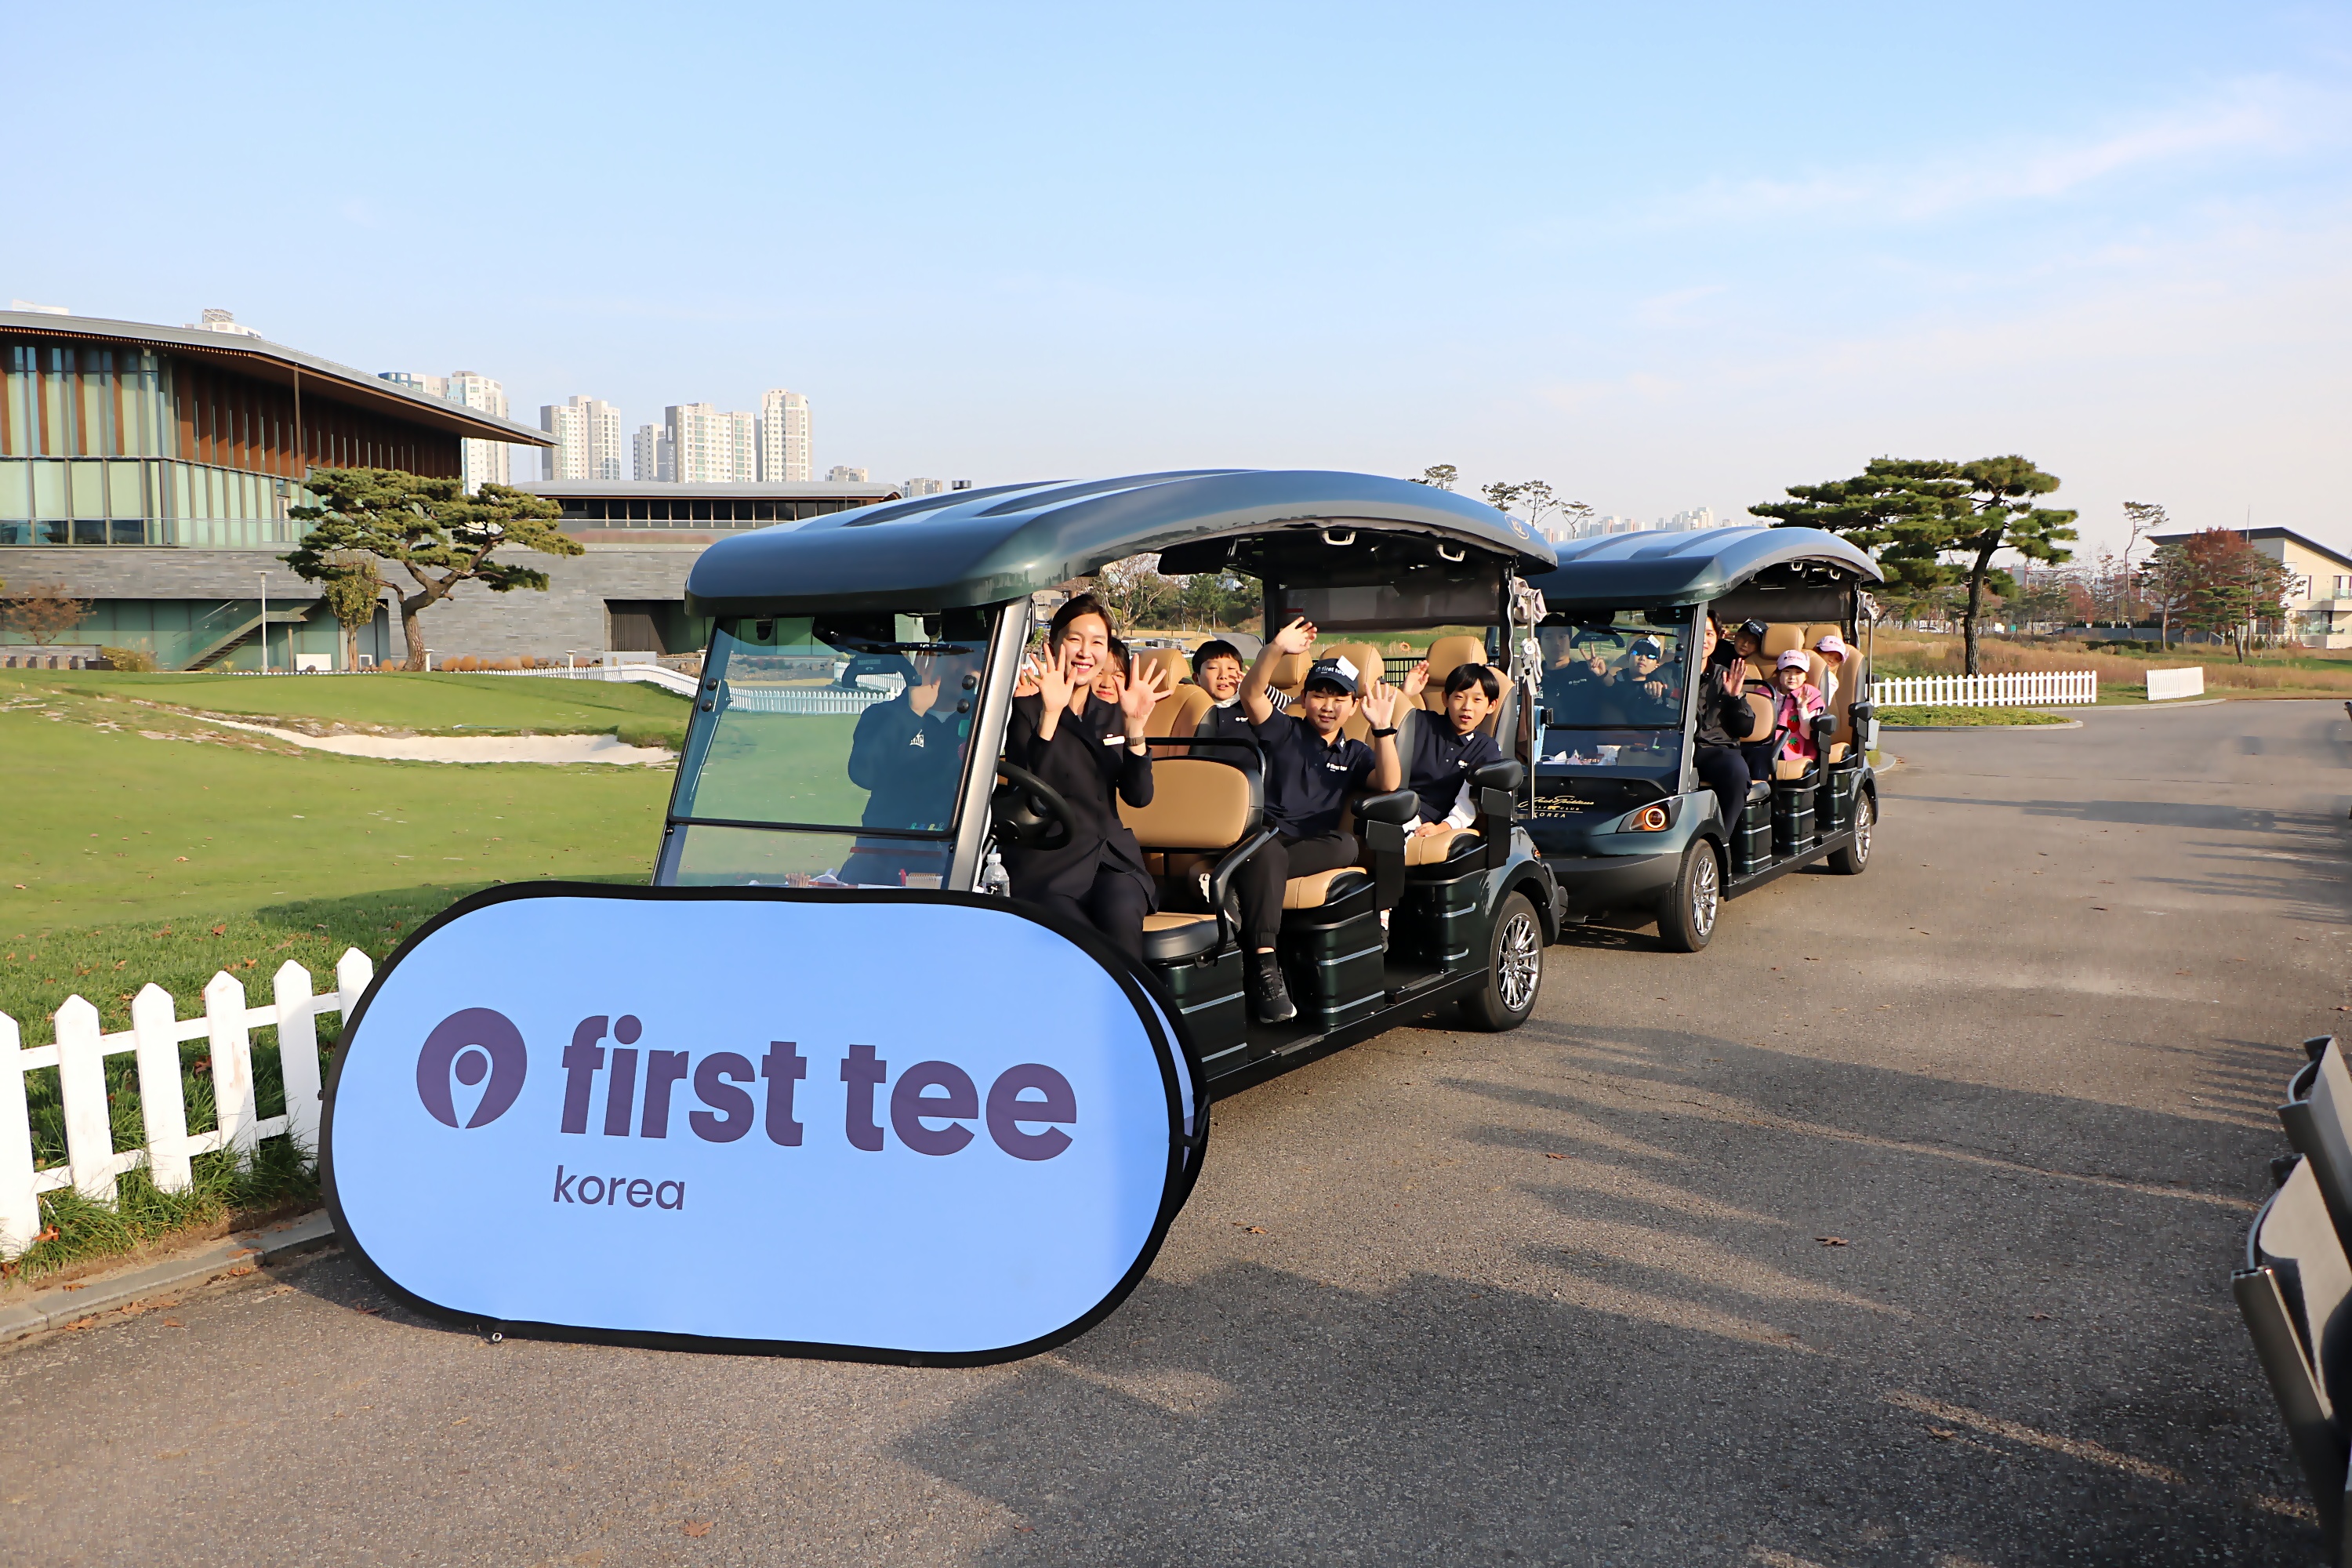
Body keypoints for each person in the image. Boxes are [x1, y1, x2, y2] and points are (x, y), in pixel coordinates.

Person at [1232, 617, 1404, 1023]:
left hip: (1313, 844)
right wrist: (1276, 648)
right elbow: (1251, 692)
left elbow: (1389, 783)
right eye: (1319, 695)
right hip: (1265, 836)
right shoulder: (1283, 730)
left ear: (1353, 705)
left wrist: (1383, 730)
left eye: (1339, 697)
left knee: (1345, 845)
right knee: (1268, 854)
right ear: (1304, 698)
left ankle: (1242, 886)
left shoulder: (1356, 751)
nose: (1328, 706)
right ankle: (1265, 967)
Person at [1001, 594, 1171, 961]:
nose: (1085, 652)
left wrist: (1135, 728)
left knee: (1122, 917)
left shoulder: (1112, 713)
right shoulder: (1026, 711)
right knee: (1082, 945)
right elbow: (1033, 794)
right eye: (1075, 639)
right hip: (1049, 864)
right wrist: (1050, 715)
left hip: (1111, 858)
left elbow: (1139, 796)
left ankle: (1132, 1000)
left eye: (1097, 643)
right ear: (1053, 645)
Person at [840, 644, 984, 885]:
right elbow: (864, 774)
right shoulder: (883, 714)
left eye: (977, 664)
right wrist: (912, 712)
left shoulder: (981, 724)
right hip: (883, 858)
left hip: (950, 859)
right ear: (932, 659)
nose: (965, 669)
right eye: (958, 657)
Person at [1399, 659, 1502, 837]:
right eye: (1459, 697)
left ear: (1491, 705)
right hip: (1398, 808)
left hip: (1437, 825)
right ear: (1445, 699)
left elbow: (1468, 802)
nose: (1467, 707)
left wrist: (1443, 828)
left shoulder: (1487, 749)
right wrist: (1404, 693)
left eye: (1477, 700)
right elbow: (1386, 723)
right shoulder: (1421, 723)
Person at [1691, 614, 1762, 841]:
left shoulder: (1725, 676)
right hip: (1675, 749)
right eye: (1699, 632)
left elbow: (1745, 728)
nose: (1704, 639)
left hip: (1715, 750)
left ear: (1717, 638)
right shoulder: (1668, 674)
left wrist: (1736, 697)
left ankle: (1721, 842)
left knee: (1737, 773)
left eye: (1709, 634)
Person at [1184, 638, 1265, 744]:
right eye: (1213, 668)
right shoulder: (1188, 709)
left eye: (1231, 668)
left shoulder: (1252, 705)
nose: (1223, 676)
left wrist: (1261, 689)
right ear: (1196, 678)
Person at [1605, 635, 1682, 726]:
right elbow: (1609, 686)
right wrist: (1601, 675)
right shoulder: (1616, 681)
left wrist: (1654, 694)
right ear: (1628, 658)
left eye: (1650, 656)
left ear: (1656, 666)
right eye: (1637, 653)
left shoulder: (1662, 687)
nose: (1642, 658)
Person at [1769, 649, 1825, 767]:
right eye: (1787, 671)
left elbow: (1807, 734)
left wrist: (1802, 708)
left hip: (1794, 753)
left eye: (1798, 672)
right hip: (1765, 747)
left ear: (1805, 676)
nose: (1792, 677)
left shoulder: (1811, 697)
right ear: (1779, 674)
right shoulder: (1766, 695)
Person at [1812, 633, 1849, 708]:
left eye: (1837, 659)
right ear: (1817, 652)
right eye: (1829, 654)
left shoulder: (1831, 680)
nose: (1831, 660)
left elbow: (1821, 705)